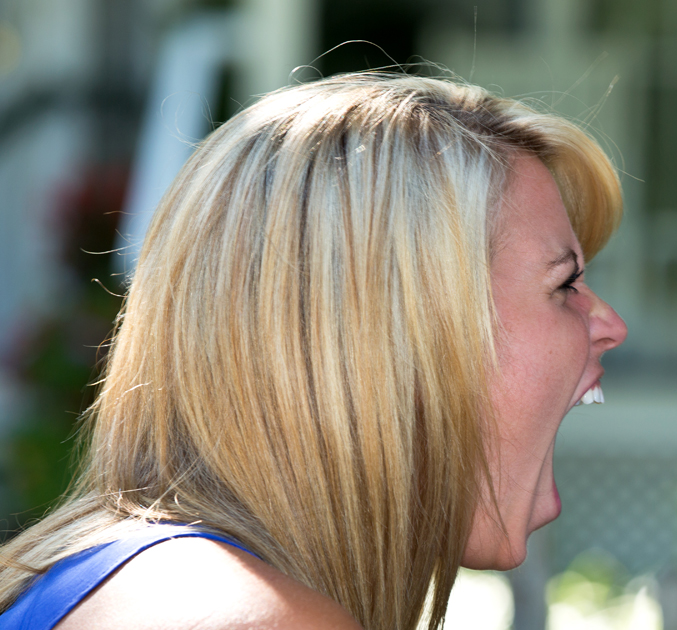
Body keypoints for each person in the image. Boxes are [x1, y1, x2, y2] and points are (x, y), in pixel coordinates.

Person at [0, 73, 628, 630]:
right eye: (565, 283)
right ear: (399, 333)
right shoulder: (247, 616)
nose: (609, 325)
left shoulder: (140, 579)